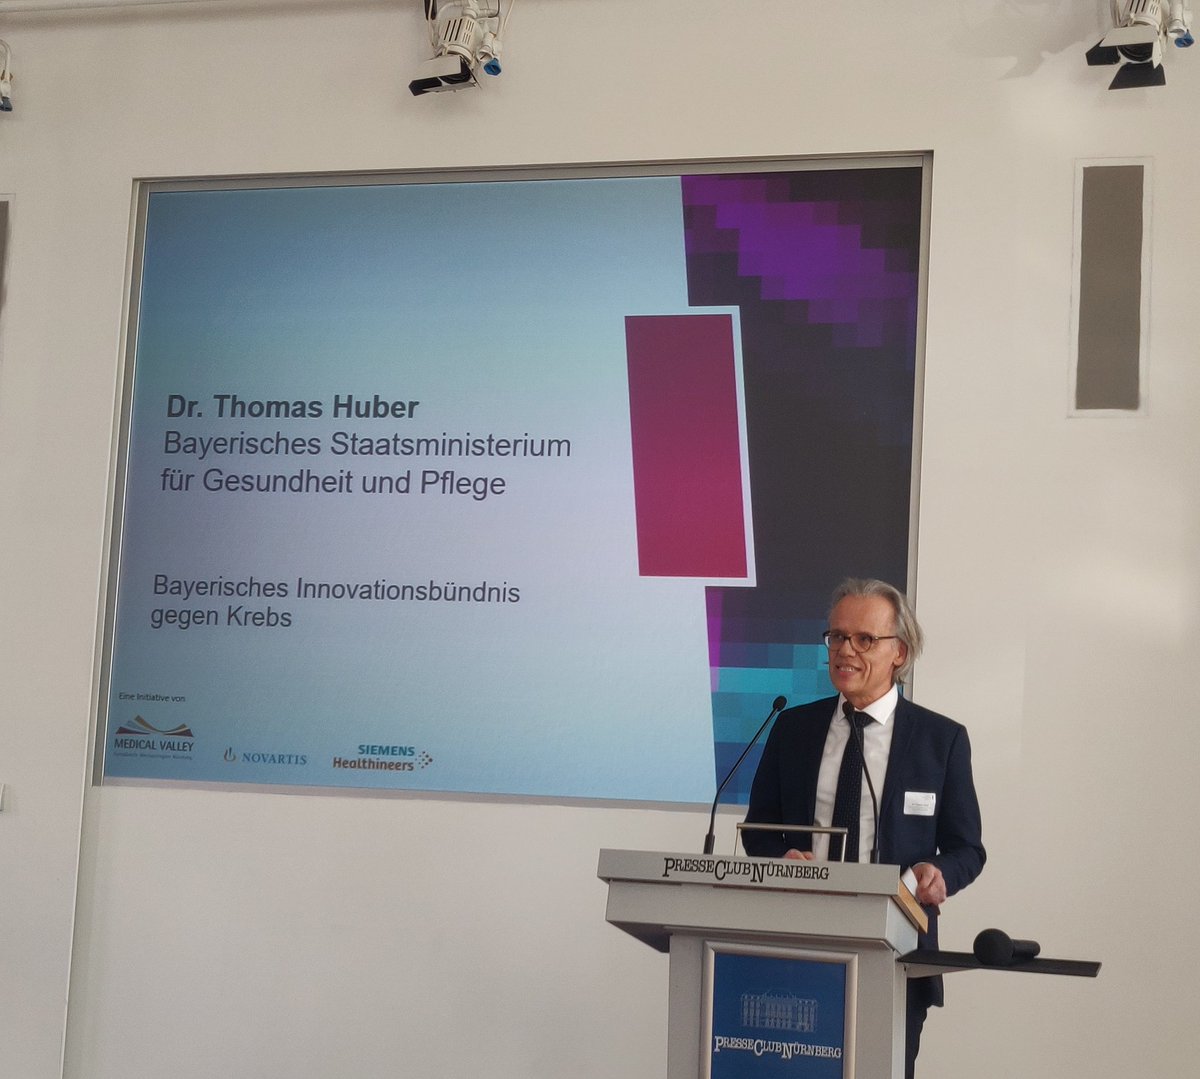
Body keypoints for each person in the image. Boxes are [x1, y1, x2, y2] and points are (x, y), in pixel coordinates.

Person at [742, 577, 985, 1079]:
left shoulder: (940, 740)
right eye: (837, 636)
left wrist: (938, 873)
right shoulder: (793, 729)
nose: (845, 651)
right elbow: (758, 828)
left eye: (864, 639)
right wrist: (781, 857)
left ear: (900, 652)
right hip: (797, 943)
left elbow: (967, 848)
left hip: (895, 952)